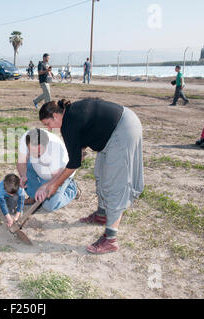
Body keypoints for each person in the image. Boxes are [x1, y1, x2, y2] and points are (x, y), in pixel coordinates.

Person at [38, 98, 144, 254]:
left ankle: (110, 239)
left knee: (115, 184)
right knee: (101, 174)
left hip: (123, 129)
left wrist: (54, 185)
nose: (49, 128)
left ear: (56, 115)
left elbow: (73, 164)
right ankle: (102, 215)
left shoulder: (68, 123)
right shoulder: (70, 115)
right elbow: (87, 129)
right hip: (111, 133)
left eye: (48, 124)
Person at [17, 128, 79, 212]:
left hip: (59, 175)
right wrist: (23, 176)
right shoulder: (26, 138)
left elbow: (57, 176)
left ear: (46, 144)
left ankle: (72, 188)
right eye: (33, 151)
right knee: (27, 162)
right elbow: (21, 162)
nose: (35, 155)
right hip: (43, 169)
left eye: (39, 152)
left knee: (49, 206)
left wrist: (45, 186)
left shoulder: (56, 149)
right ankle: (33, 196)